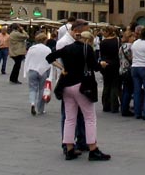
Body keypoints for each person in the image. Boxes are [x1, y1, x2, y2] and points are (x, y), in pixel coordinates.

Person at [45, 31, 111, 161]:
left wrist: (62, 68)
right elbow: (95, 67)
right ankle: (93, 149)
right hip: (81, 86)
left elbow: (49, 57)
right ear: (89, 41)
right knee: (90, 117)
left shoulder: (67, 47)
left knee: (70, 118)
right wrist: (102, 65)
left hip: (66, 86)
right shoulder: (87, 49)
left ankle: (69, 148)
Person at [24, 32, 52, 116]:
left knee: (32, 89)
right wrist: (50, 75)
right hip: (43, 71)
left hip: (33, 70)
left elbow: (27, 59)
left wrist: (25, 71)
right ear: (44, 40)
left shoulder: (32, 48)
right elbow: (50, 61)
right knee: (42, 90)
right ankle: (41, 109)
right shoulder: (47, 49)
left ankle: (32, 103)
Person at [99, 26, 121, 113]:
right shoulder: (117, 41)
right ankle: (114, 106)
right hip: (115, 64)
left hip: (106, 64)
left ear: (108, 32)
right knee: (114, 85)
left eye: (104, 31)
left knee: (107, 84)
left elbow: (102, 54)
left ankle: (106, 105)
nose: (103, 33)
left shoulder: (103, 42)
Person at [118, 30, 135, 117]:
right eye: (133, 37)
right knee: (128, 90)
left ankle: (124, 108)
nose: (134, 38)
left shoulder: (121, 47)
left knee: (125, 90)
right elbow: (131, 58)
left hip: (122, 70)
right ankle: (125, 109)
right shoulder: (130, 47)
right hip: (128, 70)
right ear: (129, 37)